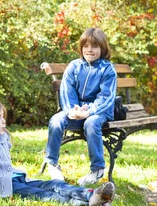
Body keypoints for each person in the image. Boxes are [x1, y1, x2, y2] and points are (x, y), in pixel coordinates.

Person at [0, 99, 115, 206]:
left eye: (3, 117)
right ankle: (83, 204)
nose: (4, 121)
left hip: (15, 178)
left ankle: (91, 195)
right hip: (1, 186)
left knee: (53, 184)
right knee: (41, 194)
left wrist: (0, 131)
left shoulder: (1, 136)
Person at [43, 27, 117, 186]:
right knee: (56, 121)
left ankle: (97, 168)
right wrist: (72, 110)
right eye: (86, 46)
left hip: (99, 112)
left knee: (91, 123)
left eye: (95, 46)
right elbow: (67, 90)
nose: (90, 50)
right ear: (81, 48)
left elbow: (106, 97)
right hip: (75, 111)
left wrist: (88, 112)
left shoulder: (107, 69)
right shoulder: (74, 66)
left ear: (102, 48)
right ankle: (52, 164)